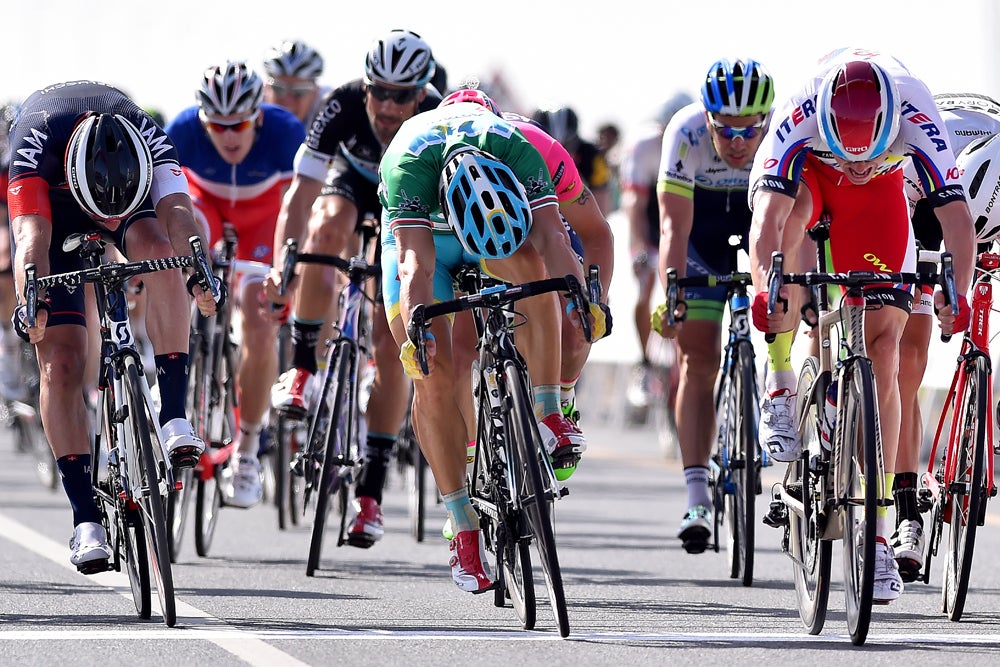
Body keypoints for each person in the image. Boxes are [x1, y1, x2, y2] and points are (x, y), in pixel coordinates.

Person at [747, 48, 976, 603]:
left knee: (886, 349)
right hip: (807, 175)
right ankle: (782, 380)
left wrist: (958, 295)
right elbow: (769, 223)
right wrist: (765, 290)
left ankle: (874, 536)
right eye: (851, 156)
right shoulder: (800, 115)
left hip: (883, 192)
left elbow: (956, 219)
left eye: (866, 155)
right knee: (795, 237)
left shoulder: (917, 115)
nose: (856, 164)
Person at [379, 99, 601, 592]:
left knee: (536, 276)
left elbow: (555, 241)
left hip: (496, 224)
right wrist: (418, 332)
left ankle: (546, 412)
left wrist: (579, 302)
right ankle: (462, 525)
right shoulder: (409, 163)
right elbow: (413, 263)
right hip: (423, 241)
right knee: (432, 374)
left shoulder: (517, 147)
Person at [6, 81, 217, 570]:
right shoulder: (32, 147)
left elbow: (179, 213)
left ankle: (174, 416)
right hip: (54, 210)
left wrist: (197, 271)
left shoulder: (146, 133)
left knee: (162, 250)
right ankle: (85, 518)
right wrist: (32, 301)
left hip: (123, 189)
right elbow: (30, 239)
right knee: (60, 361)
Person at [264, 29, 441, 548]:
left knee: (393, 341)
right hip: (352, 182)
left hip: (405, 195)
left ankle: (370, 494)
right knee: (324, 230)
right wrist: (283, 262)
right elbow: (301, 193)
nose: (387, 106)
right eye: (378, 91)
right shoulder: (340, 105)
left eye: (401, 95)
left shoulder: (434, 118)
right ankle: (301, 366)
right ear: (364, 86)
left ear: (421, 94)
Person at [440, 87, 614, 475]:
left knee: (571, 324)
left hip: (539, 224)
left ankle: (559, 401)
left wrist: (591, 301)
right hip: (461, 235)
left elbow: (597, 233)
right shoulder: (429, 157)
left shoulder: (539, 148)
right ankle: (471, 468)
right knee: (458, 349)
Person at [166, 60, 305, 508]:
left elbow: (299, 208)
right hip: (205, 206)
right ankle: (169, 369)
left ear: (257, 116)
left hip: (262, 220)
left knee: (260, 320)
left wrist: (288, 268)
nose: (228, 135)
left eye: (239, 124)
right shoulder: (182, 130)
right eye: (217, 125)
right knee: (186, 259)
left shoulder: (285, 132)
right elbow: (162, 206)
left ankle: (246, 448)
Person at [647, 62, 774, 554]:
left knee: (784, 311)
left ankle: (777, 404)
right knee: (697, 360)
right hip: (700, 237)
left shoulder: (781, 132)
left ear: (765, 121)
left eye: (750, 129)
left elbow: (791, 223)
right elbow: (673, 230)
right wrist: (672, 292)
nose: (739, 141)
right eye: (726, 129)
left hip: (758, 223)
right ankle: (697, 494)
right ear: (708, 118)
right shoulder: (685, 132)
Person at [893, 92, 1000, 581]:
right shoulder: (920, 161)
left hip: (975, 211)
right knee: (908, 360)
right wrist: (938, 286)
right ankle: (907, 512)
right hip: (924, 214)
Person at [619, 92, 694, 414]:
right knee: (645, 287)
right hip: (649, 224)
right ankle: (645, 361)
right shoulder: (644, 145)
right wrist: (637, 247)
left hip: (683, 221)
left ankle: (687, 360)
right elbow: (634, 206)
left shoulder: (696, 143)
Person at [531, 105, 614, 215]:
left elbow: (601, 200)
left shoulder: (591, 155)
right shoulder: (522, 150)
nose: (558, 153)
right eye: (549, 146)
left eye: (565, 145)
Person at [262, 39, 331, 126]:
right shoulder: (250, 111)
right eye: (278, 88)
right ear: (266, 87)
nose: (288, 99)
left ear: (316, 91)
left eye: (299, 91)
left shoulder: (329, 108)